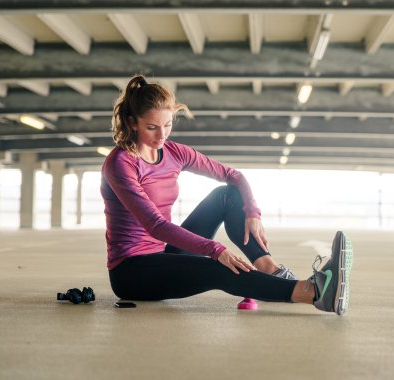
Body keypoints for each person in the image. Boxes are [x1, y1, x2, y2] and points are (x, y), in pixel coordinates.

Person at [101, 75, 354, 315]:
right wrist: (215, 249)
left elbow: (234, 176)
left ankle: (270, 269)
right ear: (133, 123)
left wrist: (252, 212)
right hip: (132, 273)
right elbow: (155, 225)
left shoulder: (174, 152)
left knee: (226, 195)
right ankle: (314, 293)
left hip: (164, 255)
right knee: (220, 266)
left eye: (167, 125)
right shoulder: (121, 164)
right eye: (152, 128)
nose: (162, 136)